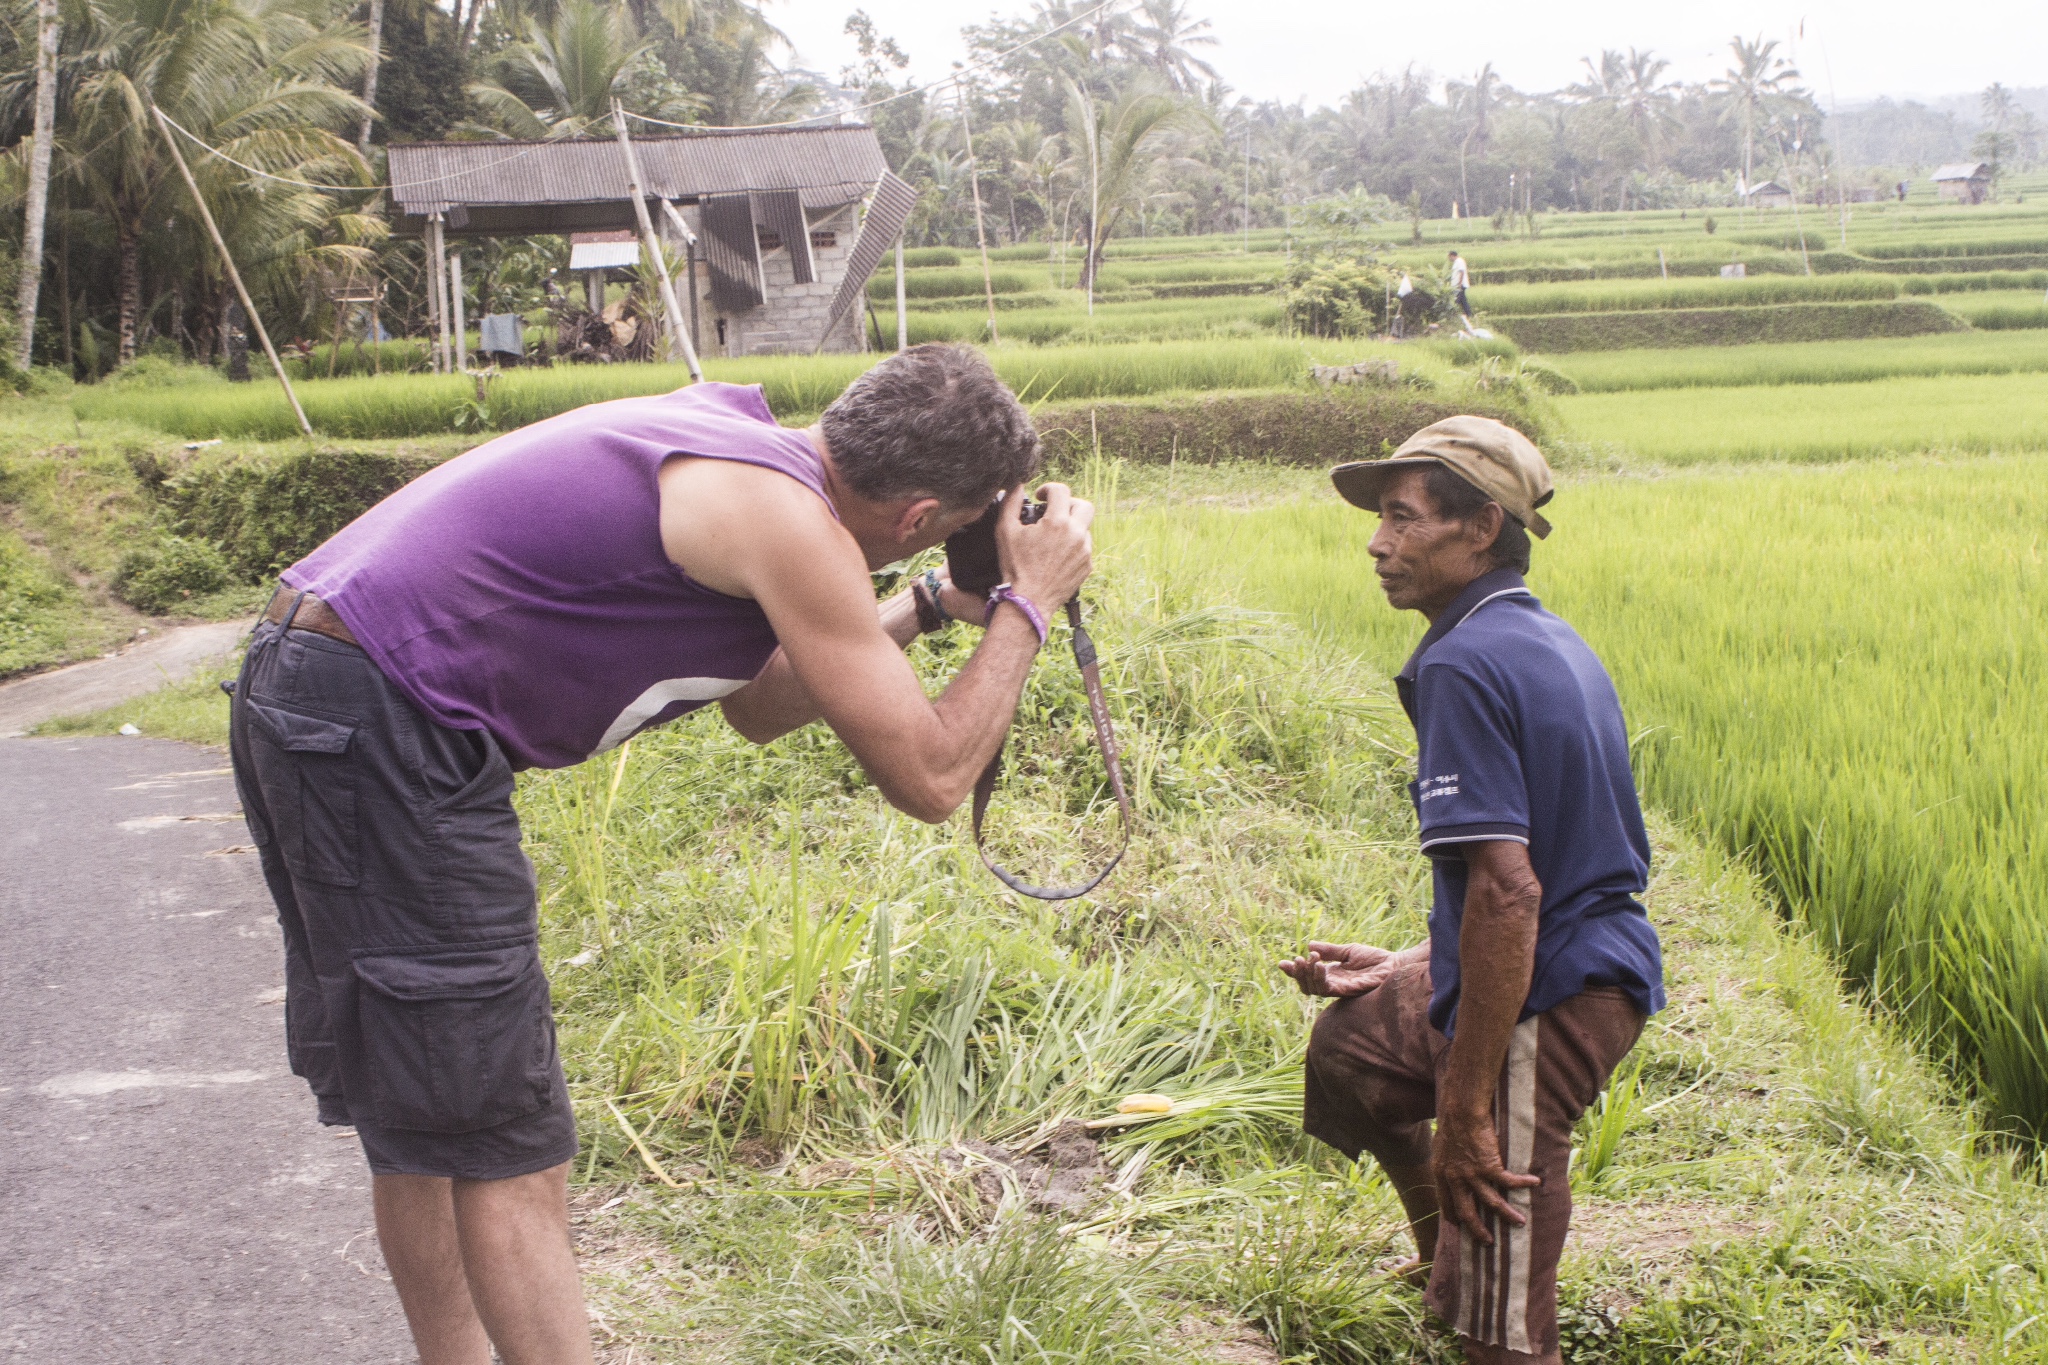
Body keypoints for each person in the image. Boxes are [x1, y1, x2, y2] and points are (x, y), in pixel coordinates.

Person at [227, 343, 1092, 1365]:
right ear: (915, 520)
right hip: (382, 718)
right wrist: (1027, 607)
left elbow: (761, 707)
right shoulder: (790, 522)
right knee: (507, 1140)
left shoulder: (733, 440)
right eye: (941, 535)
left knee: (424, 1108)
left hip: (318, 677)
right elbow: (934, 778)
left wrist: (926, 605)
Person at [1279, 416, 1664, 1365]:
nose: (1377, 542)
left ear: (1481, 527)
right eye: (1381, 520)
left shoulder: (1463, 661)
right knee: (1355, 1045)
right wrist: (1415, 960)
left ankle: (1483, 1285)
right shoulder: (1538, 637)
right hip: (1561, 950)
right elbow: (1559, 857)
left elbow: (1509, 893)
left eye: (1405, 520)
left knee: (1496, 1299)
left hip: (1555, 992)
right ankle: (1441, 1254)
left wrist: (1466, 1111)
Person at [1447, 251, 1472, 321]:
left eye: (1449, 257)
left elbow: (1462, 272)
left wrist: (1459, 284)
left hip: (1459, 285)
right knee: (1462, 301)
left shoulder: (1459, 261)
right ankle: (1469, 315)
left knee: (1456, 301)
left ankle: (1453, 316)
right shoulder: (1456, 262)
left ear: (1452, 256)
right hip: (1457, 286)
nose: (1449, 259)